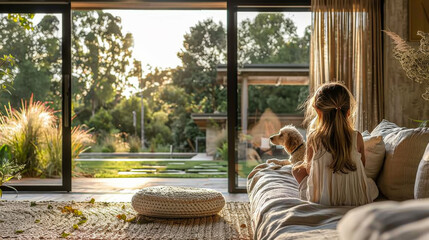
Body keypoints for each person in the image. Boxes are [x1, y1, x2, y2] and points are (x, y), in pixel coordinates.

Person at [292, 82, 378, 206]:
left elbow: (310, 170)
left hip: (323, 199)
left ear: (317, 110)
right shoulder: (356, 136)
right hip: (354, 198)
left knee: (297, 170)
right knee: (371, 185)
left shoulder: (314, 138)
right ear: (348, 111)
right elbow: (362, 166)